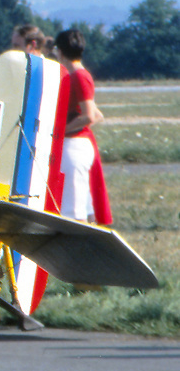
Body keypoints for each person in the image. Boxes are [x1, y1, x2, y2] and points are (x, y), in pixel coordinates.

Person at [49, 29, 111, 225]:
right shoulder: (77, 75)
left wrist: (59, 132)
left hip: (73, 145)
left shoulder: (78, 76)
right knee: (79, 206)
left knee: (74, 212)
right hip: (76, 145)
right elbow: (96, 114)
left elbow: (89, 115)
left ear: (60, 51)